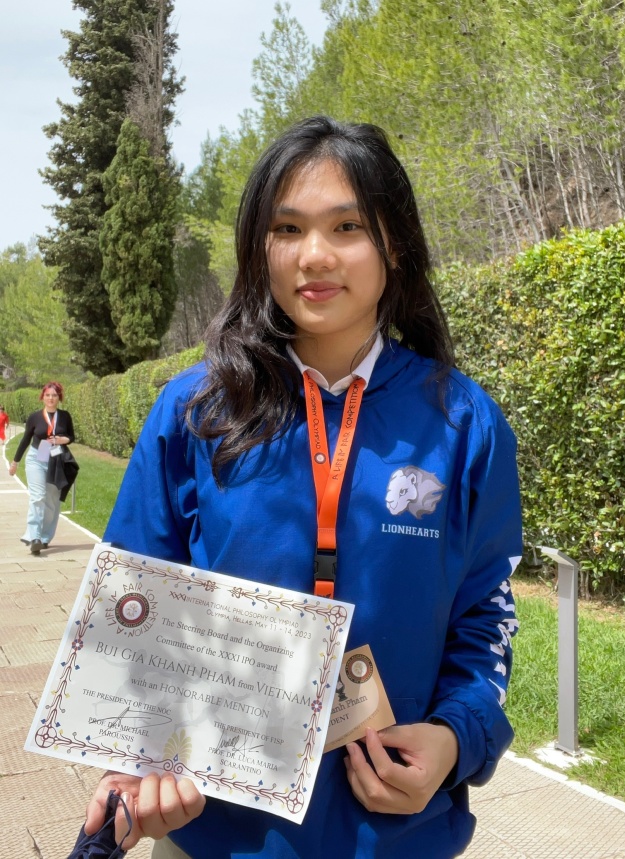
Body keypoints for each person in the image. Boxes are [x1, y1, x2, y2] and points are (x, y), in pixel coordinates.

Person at [83, 116, 523, 859]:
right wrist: (134, 755)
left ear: (396, 244)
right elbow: (133, 605)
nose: (313, 256)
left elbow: (487, 618)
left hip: (396, 835)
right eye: (287, 228)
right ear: (261, 247)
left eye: (346, 225)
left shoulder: (464, 424)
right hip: (211, 837)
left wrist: (455, 739)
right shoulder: (197, 412)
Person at [8, 381, 75, 554]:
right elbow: (25, 440)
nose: (51, 398)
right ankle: (34, 537)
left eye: (54, 395)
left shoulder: (65, 416)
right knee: (38, 497)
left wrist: (62, 440)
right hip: (37, 457)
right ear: (43, 397)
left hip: (56, 459)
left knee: (52, 500)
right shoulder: (35, 417)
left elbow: (71, 436)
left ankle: (45, 537)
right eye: (48, 395)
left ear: (59, 397)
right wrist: (15, 462)